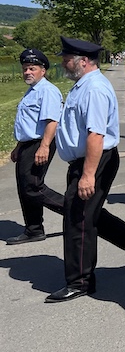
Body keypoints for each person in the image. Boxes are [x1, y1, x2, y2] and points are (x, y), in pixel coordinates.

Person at [47, 37, 125, 303]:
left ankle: (80, 281)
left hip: (94, 161)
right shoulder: (83, 85)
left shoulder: (93, 89)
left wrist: (88, 174)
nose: (63, 63)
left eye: (66, 59)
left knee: (78, 219)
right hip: (85, 161)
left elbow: (96, 135)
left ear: (83, 61)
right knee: (87, 213)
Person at [8, 48, 64, 245]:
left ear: (43, 70)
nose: (27, 72)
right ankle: (33, 229)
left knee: (33, 187)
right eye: (25, 68)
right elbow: (28, 124)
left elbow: (52, 121)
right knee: (25, 188)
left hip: (40, 143)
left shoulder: (47, 91)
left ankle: (76, 212)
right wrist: (18, 147)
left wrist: (44, 146)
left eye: (32, 68)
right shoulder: (32, 91)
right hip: (28, 144)